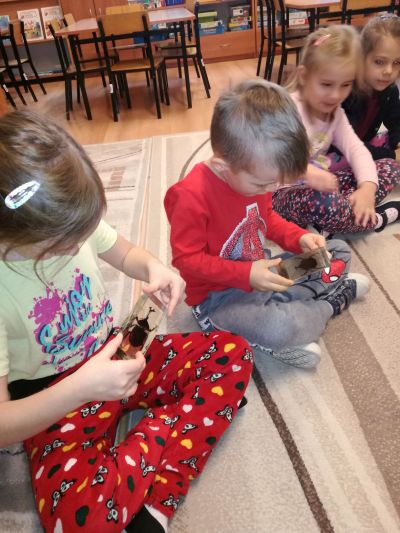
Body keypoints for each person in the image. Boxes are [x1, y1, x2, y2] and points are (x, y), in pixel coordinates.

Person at [0, 110, 253, 533]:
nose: (80, 245)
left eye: (83, 233)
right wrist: (80, 388)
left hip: (120, 352)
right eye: (66, 243)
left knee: (232, 352)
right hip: (55, 400)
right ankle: (177, 431)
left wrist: (155, 267)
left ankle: (156, 495)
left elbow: (126, 253)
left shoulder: (69, 219)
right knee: (77, 521)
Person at [164, 79, 370, 372]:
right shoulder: (189, 196)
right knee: (281, 327)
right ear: (223, 166)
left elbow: (268, 219)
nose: (270, 189)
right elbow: (187, 260)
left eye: (275, 182)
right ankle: (331, 302)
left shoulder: (257, 176)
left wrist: (299, 238)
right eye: (262, 184)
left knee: (336, 251)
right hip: (219, 299)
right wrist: (246, 274)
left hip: (268, 272)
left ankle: (292, 301)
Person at [271, 25, 400, 235]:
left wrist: (367, 189)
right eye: (326, 84)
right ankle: (376, 219)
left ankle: (341, 214)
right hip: (282, 193)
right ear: (303, 76)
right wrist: (307, 172)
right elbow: (268, 158)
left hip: (325, 186)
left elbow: (356, 150)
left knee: (390, 167)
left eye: (345, 85)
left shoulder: (336, 113)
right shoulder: (287, 109)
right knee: (324, 202)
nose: (336, 95)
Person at [338, 14, 400, 231]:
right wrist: (390, 155)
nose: (389, 71)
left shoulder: (389, 89)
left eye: (397, 63)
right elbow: (345, 145)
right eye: (379, 62)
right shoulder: (345, 89)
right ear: (361, 57)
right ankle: (350, 211)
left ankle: (354, 210)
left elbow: (396, 121)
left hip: (362, 153)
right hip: (332, 158)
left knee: (391, 166)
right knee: (389, 163)